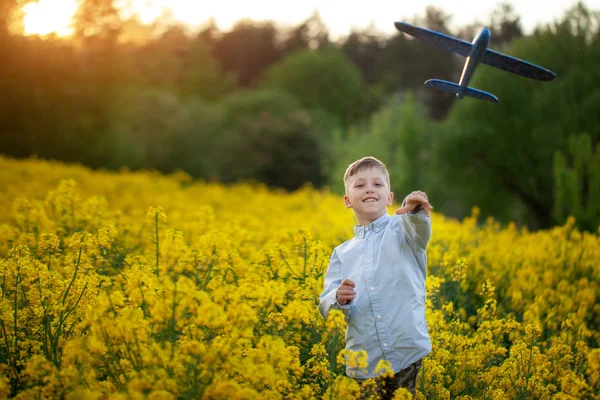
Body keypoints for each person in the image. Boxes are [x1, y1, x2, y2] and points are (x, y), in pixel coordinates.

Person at [318, 156, 433, 399]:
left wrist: (415, 210)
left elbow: (419, 227)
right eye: (360, 185)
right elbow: (325, 302)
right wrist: (338, 297)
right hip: (364, 361)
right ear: (348, 201)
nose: (369, 189)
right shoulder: (342, 253)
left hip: (405, 351)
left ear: (390, 198)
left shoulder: (404, 230)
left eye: (377, 184)